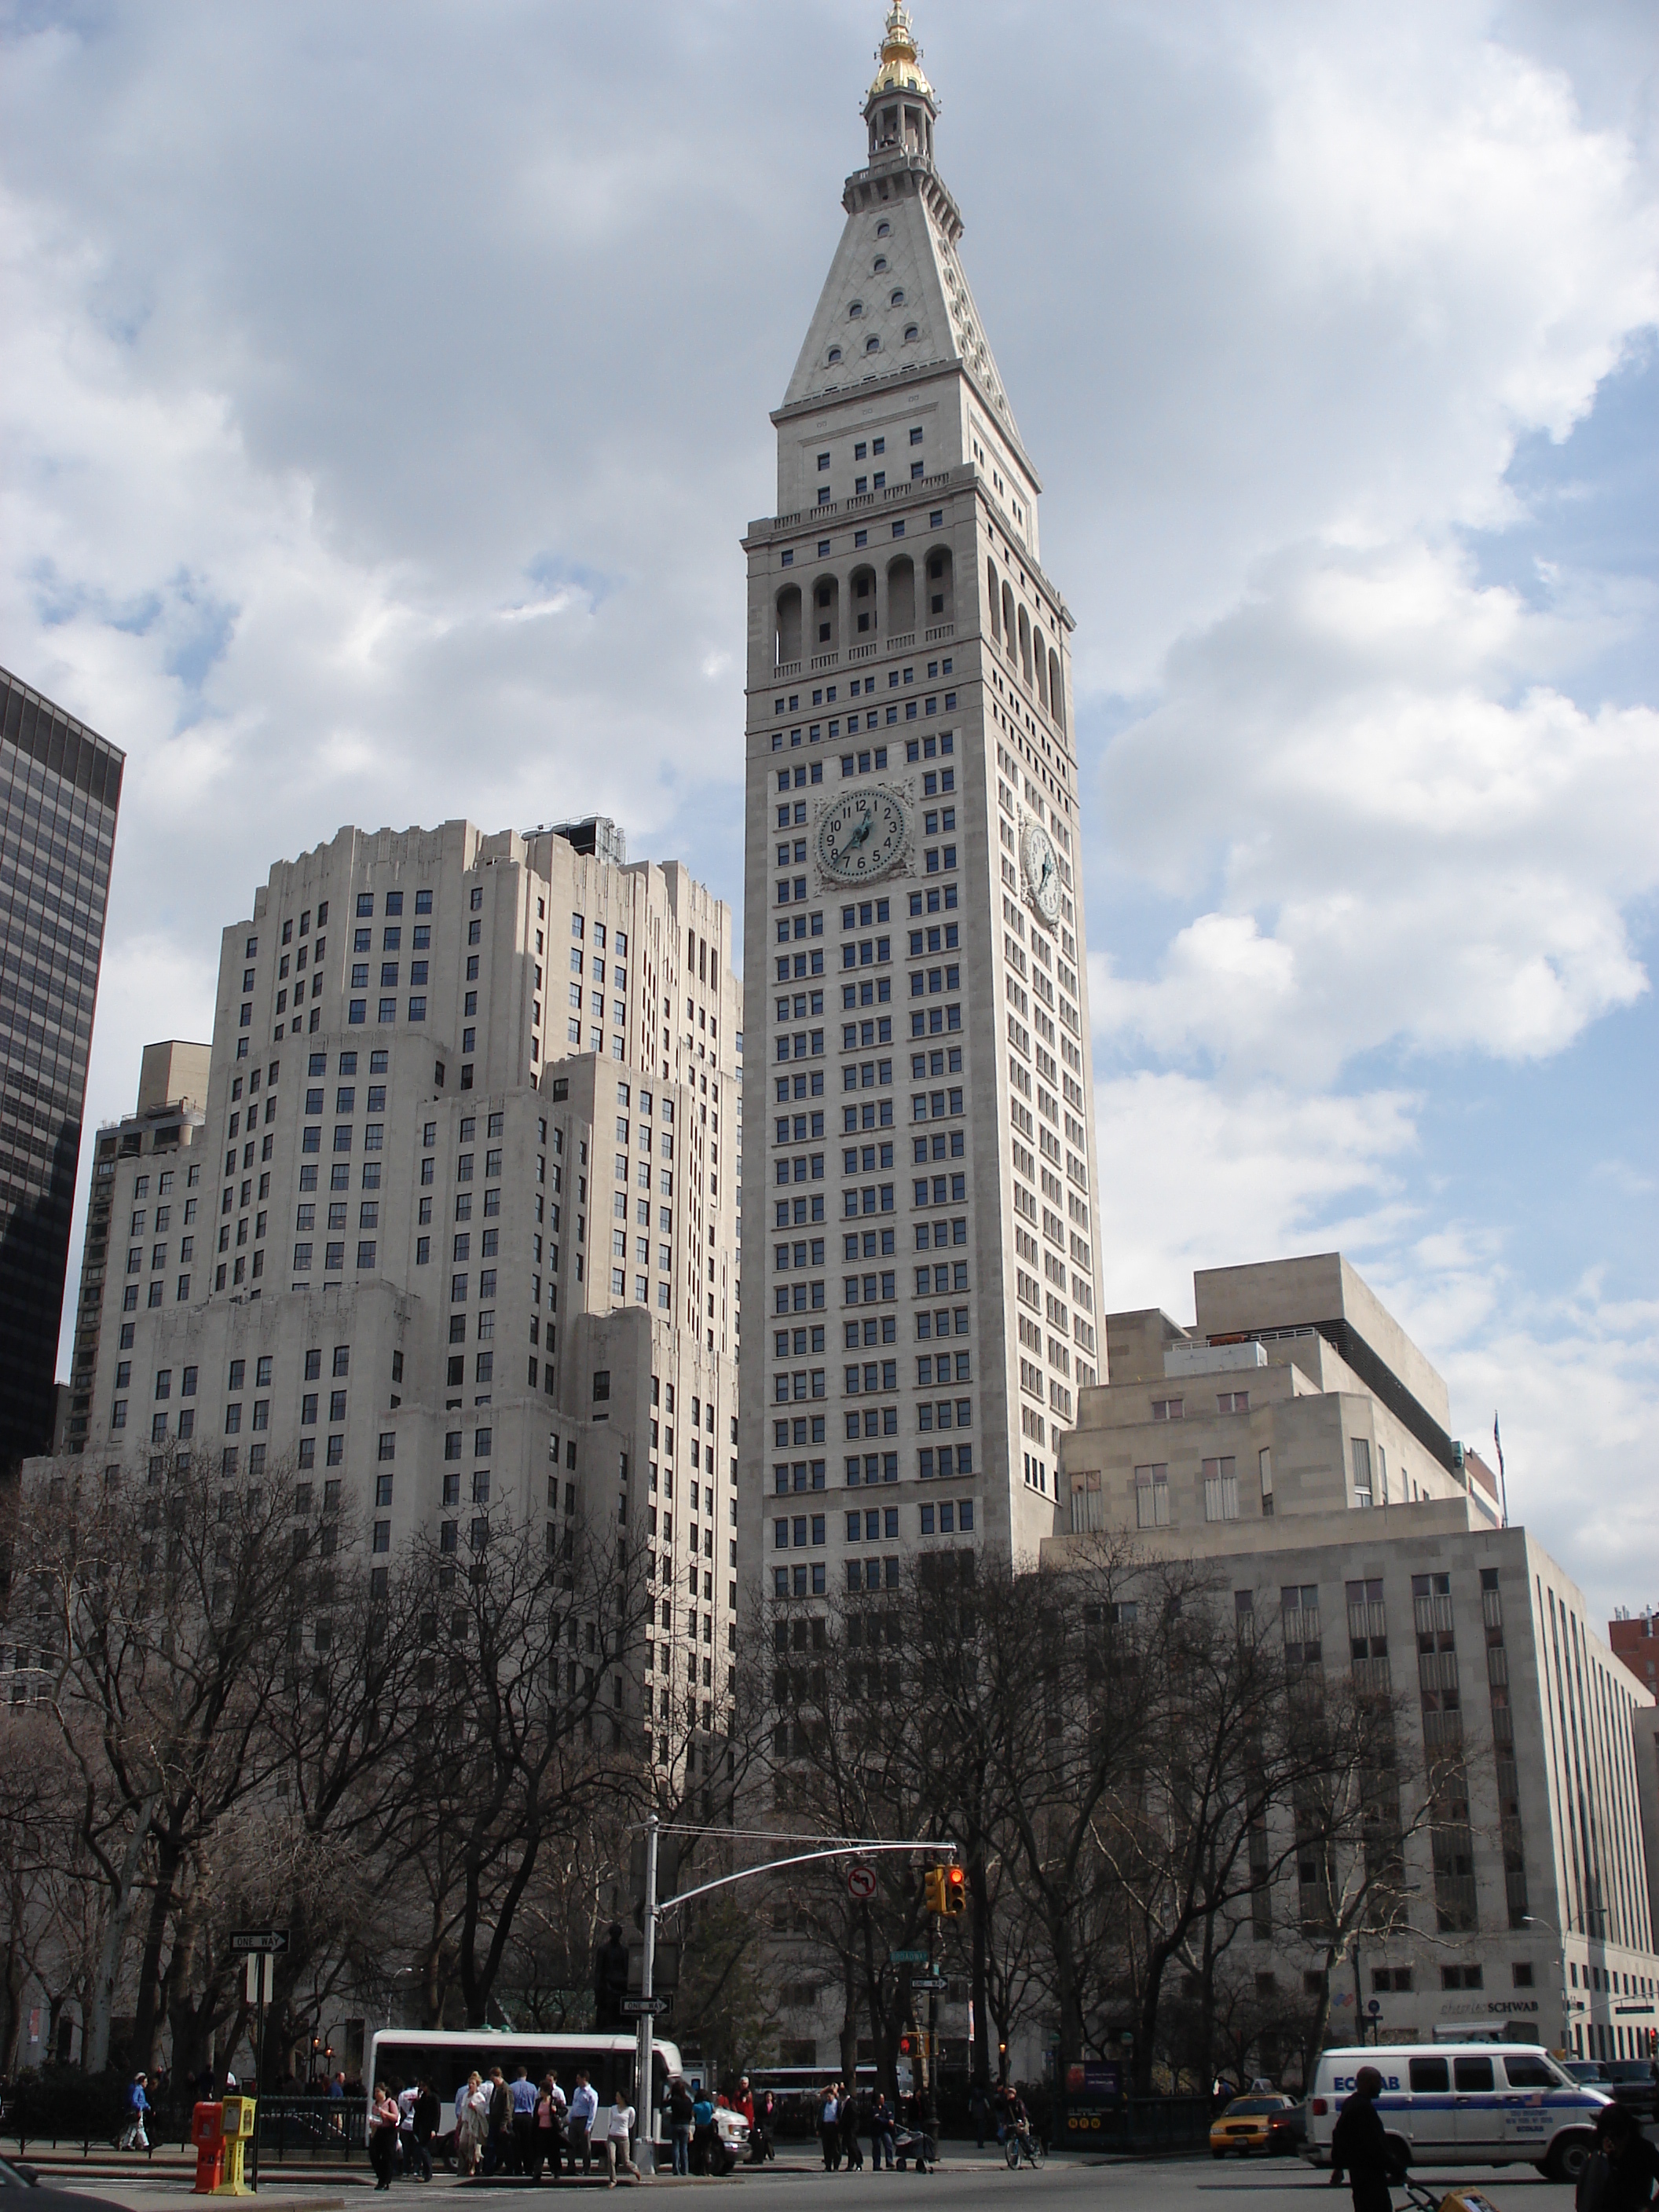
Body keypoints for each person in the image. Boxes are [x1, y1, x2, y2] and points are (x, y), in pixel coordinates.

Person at [1329, 2065, 1403, 2212]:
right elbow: (1376, 2147)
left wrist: (1338, 2166)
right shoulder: (1364, 2109)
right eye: (1377, 2082)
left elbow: (1338, 2135)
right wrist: (1400, 2173)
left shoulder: (1351, 2104)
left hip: (1358, 2178)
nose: (1381, 2086)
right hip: (1371, 2178)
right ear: (1367, 2082)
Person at [1588, 2099, 1659, 2211]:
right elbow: (1590, 2185)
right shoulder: (1599, 2152)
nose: (1616, 2141)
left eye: (1619, 2135)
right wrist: (1603, 2157)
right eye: (1611, 2136)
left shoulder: (1644, 2150)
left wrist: (1652, 2207)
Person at [531, 2074, 567, 2185]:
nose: (540, 2092)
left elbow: (564, 2111)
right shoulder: (538, 2102)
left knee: (553, 2152)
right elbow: (536, 2116)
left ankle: (556, 2171)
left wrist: (556, 2110)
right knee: (539, 2153)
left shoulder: (554, 2101)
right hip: (541, 2130)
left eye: (542, 2090)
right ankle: (537, 2173)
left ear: (547, 2091)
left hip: (552, 2131)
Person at [369, 2082, 401, 2191]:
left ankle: (385, 2181)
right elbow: (374, 2117)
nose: (376, 2094)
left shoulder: (390, 2103)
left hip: (389, 2131)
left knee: (387, 2156)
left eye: (378, 2091)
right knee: (374, 2153)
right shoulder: (375, 2105)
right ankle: (381, 2176)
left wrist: (385, 2113)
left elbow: (396, 2117)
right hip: (379, 2130)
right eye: (375, 2092)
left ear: (384, 2092)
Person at [456, 2071, 487, 2177]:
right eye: (469, 2083)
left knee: (473, 2148)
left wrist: (475, 2107)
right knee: (462, 2145)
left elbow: (483, 2112)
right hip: (465, 2124)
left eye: (473, 2083)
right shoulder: (465, 2095)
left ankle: (473, 2168)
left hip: (474, 2125)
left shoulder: (479, 2097)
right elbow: (462, 2110)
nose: (470, 2086)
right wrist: (459, 2123)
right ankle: (462, 2169)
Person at [510, 2065, 540, 2178]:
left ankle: (518, 2169)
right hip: (528, 2117)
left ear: (516, 2075)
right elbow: (535, 2102)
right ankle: (529, 2169)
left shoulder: (512, 2087)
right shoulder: (533, 2088)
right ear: (526, 2075)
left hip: (516, 2116)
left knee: (516, 2144)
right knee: (528, 2144)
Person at [606, 2093, 641, 2186]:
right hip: (612, 2136)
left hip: (623, 2137)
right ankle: (613, 2180)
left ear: (623, 2098)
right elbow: (610, 2121)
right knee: (611, 2159)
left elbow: (630, 2124)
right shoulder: (613, 2108)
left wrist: (623, 2129)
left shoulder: (630, 2110)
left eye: (618, 2096)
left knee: (626, 2161)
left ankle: (635, 2169)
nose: (616, 2098)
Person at [568, 2068, 598, 2177]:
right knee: (571, 2144)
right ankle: (571, 2167)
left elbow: (593, 2111)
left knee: (585, 2147)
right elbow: (574, 2105)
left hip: (584, 2120)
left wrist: (588, 2126)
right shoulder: (577, 2091)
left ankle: (586, 2169)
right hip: (575, 2120)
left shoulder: (592, 2093)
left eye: (578, 2078)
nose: (577, 2080)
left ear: (584, 2079)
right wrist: (570, 2119)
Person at [668, 2075, 695, 2176]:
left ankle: (676, 2169)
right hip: (685, 2125)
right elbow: (690, 2114)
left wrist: (668, 2095)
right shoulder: (688, 2100)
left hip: (675, 2123)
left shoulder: (674, 2100)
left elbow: (664, 2104)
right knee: (684, 2148)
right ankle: (685, 2169)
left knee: (675, 2146)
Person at [120, 2071, 152, 2153]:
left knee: (132, 2128)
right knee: (140, 2128)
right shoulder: (138, 2089)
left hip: (139, 2110)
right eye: (145, 2082)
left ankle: (126, 2144)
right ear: (142, 2082)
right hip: (137, 2111)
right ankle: (146, 2144)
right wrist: (140, 2108)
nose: (147, 2084)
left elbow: (142, 2101)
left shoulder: (139, 2089)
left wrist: (147, 2106)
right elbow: (135, 2101)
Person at [870, 2091, 895, 2171]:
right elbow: (877, 2119)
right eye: (881, 2099)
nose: (883, 2100)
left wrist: (891, 2119)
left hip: (884, 2130)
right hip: (876, 2131)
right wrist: (887, 2122)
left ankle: (889, 2162)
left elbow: (890, 2115)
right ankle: (876, 2165)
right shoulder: (874, 2108)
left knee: (888, 2143)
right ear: (878, 2100)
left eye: (883, 2099)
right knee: (877, 2147)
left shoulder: (885, 2107)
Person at [840, 2086, 864, 2171]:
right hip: (847, 2129)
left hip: (851, 2129)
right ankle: (850, 2164)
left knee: (853, 2146)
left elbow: (854, 2117)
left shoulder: (851, 2103)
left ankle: (859, 2163)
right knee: (849, 2147)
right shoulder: (845, 2103)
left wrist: (852, 2128)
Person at [819, 2082, 841, 2171]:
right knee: (826, 2147)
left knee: (835, 2147)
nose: (828, 2098)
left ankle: (836, 2166)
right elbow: (820, 2116)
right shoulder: (824, 2104)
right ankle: (828, 2165)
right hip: (826, 2126)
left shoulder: (837, 2103)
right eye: (827, 2096)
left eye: (830, 2096)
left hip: (834, 2126)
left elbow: (840, 2115)